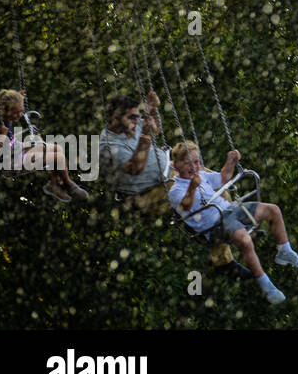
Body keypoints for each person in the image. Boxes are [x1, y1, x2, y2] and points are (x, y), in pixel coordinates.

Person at [100, 89, 251, 279]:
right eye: (132, 117)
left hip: (168, 172)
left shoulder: (131, 123)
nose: (136, 122)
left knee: (219, 185)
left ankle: (235, 228)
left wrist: (153, 110)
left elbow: (156, 130)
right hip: (147, 193)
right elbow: (135, 167)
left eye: (138, 117)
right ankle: (223, 261)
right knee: (200, 198)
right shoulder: (108, 146)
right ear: (115, 117)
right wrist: (146, 136)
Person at [168, 140, 298, 305]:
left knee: (273, 210)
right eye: (189, 163)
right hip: (215, 226)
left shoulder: (203, 175)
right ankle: (266, 285)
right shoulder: (175, 190)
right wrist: (192, 187)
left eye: (197, 161)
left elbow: (223, 178)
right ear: (177, 166)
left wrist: (230, 161)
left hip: (230, 211)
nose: (195, 166)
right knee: (244, 240)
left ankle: (284, 251)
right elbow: (185, 206)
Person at [0, 88, 90, 202]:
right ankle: (69, 185)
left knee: (57, 148)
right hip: (9, 163)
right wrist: (2, 136)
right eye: (16, 112)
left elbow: (5, 102)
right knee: (58, 158)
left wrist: (18, 96)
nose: (20, 115)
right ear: (4, 110)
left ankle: (54, 184)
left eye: (21, 111)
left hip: (16, 150)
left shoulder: (5, 116)